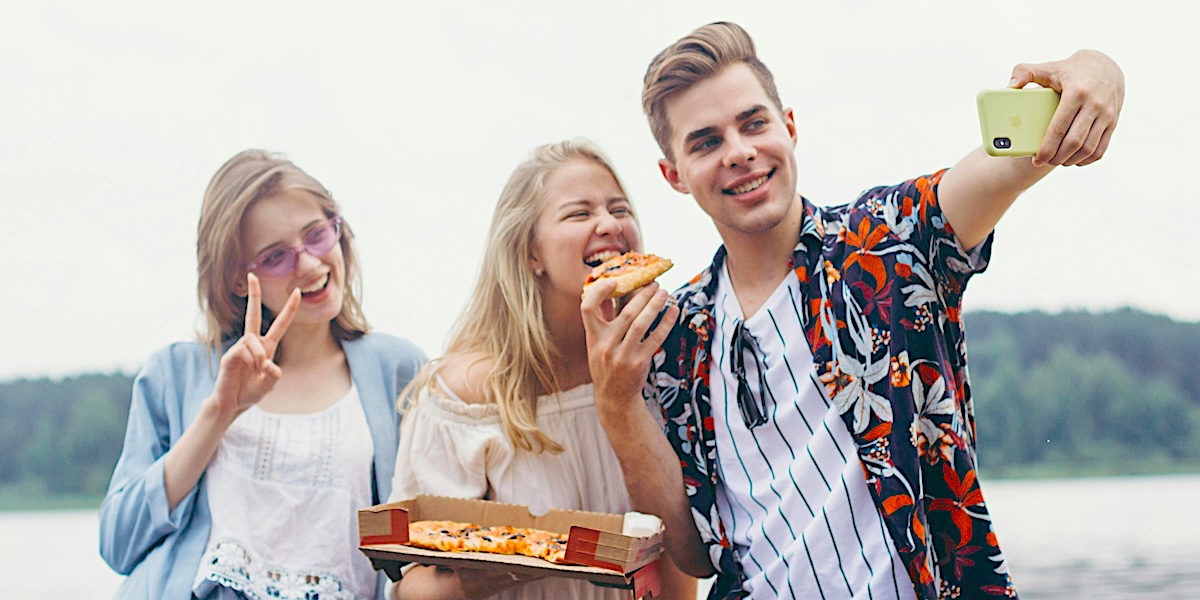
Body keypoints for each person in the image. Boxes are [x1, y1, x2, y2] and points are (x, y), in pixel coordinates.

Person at [581, 22, 1124, 600]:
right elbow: (696, 553)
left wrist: (1100, 70)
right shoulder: (676, 333)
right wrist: (616, 404)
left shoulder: (887, 240)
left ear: (789, 128)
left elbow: (1011, 160)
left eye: (753, 123)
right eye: (706, 141)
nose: (739, 152)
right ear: (674, 176)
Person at [99, 149, 427, 599]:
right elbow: (119, 543)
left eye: (316, 235)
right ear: (237, 278)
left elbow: (423, 547)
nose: (310, 264)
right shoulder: (175, 373)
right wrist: (218, 413)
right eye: (276, 256)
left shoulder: (400, 369)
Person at [386, 139, 695, 600]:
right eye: (579, 214)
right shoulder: (464, 396)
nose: (609, 224)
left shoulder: (659, 372)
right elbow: (409, 582)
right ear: (530, 252)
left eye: (619, 209)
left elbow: (680, 562)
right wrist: (479, 576)